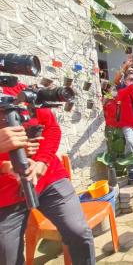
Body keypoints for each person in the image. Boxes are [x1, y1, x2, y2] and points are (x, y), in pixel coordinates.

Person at [0, 83, 95, 265]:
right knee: (7, 258)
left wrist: (42, 161)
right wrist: (4, 166)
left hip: (48, 178)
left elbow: (52, 129)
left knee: (79, 233)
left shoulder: (21, 92)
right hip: (5, 194)